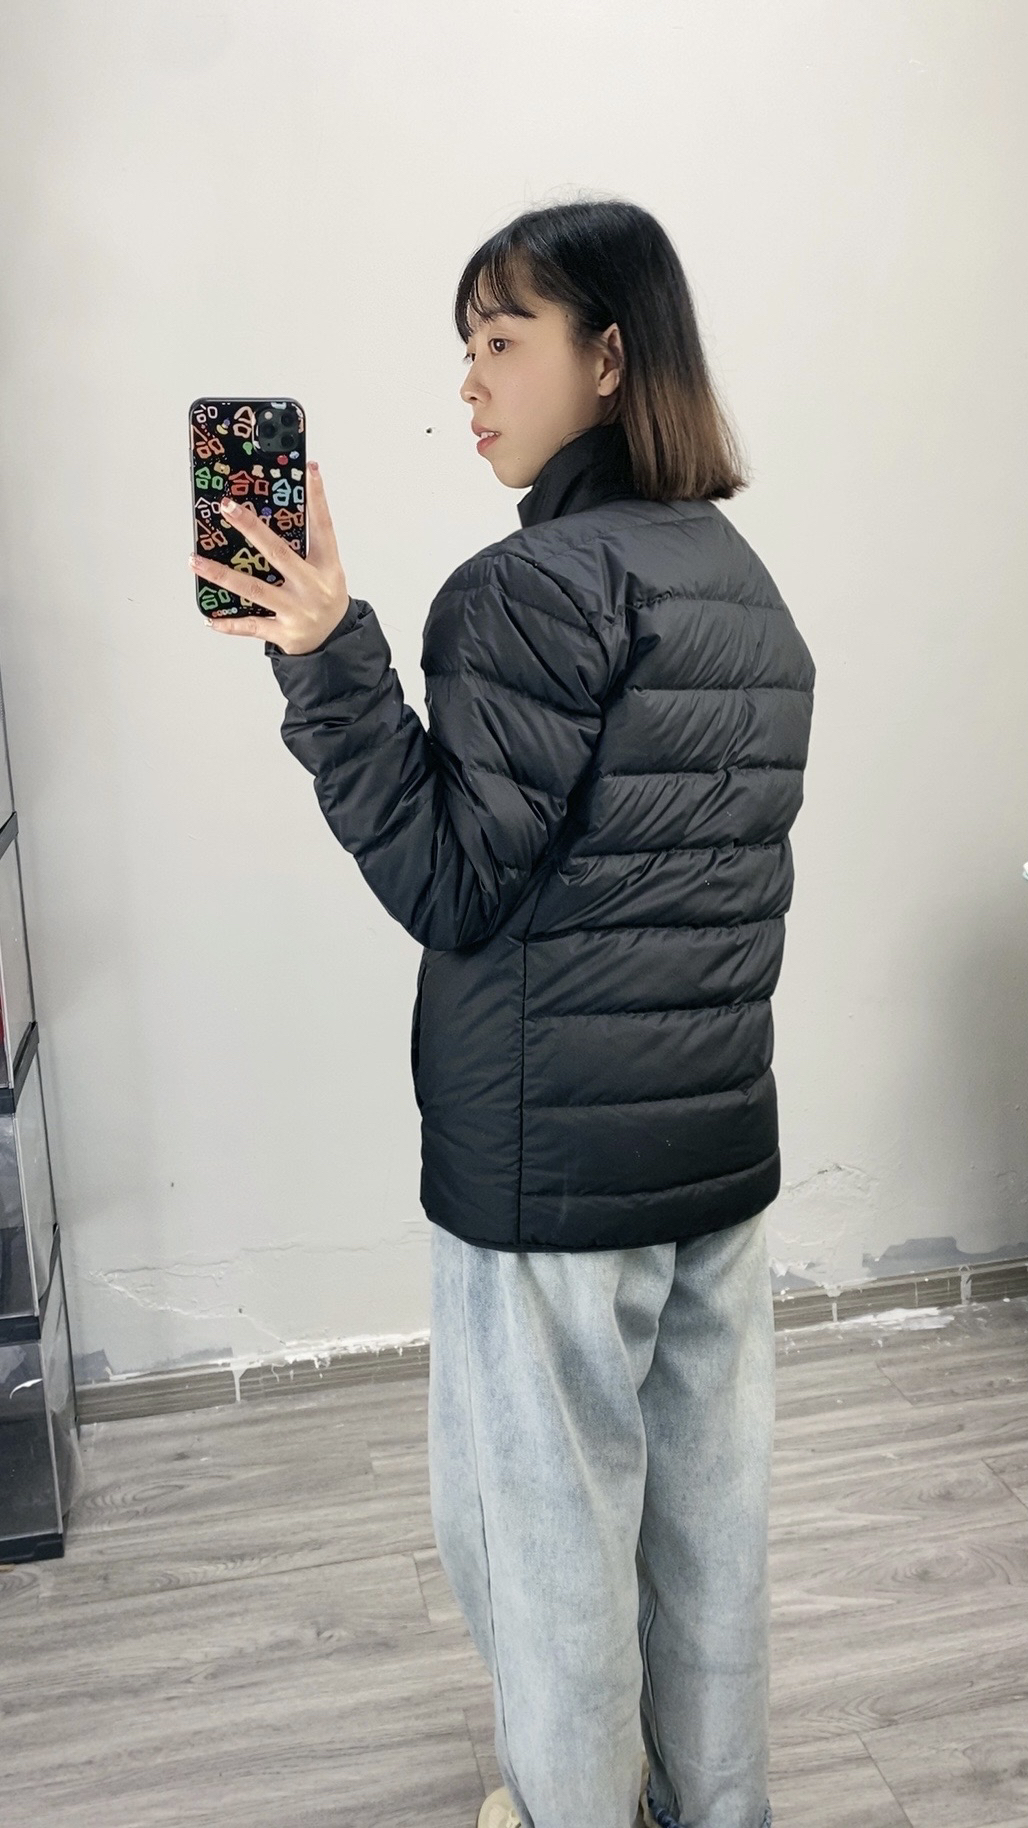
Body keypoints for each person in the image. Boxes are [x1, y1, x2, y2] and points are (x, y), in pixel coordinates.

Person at [198, 196, 814, 1828]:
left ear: (609, 358)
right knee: (705, 1543)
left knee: (545, 1554)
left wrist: (327, 656)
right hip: (714, 1159)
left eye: (499, 341)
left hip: (549, 1183)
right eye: (462, 348)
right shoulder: (738, 580)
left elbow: (452, 885)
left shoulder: (528, 586)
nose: (467, 384)